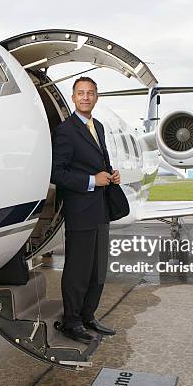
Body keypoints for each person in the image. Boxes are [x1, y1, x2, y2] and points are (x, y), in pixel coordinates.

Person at [50, 76, 120, 343]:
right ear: (73, 97)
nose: (86, 97)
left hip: (101, 208)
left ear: (96, 96)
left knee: (98, 269)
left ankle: (89, 315)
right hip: (80, 210)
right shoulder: (65, 130)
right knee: (78, 270)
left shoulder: (97, 126)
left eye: (90, 93)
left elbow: (98, 161)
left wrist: (110, 175)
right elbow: (57, 173)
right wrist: (92, 181)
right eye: (81, 93)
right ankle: (72, 321)